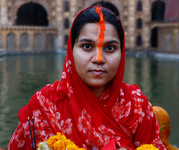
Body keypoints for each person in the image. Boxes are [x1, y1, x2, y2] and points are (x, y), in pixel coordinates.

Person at [7, 6, 166, 150]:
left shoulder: (136, 106)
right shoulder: (44, 105)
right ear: (71, 50)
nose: (98, 58)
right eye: (87, 46)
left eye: (110, 48)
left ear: (122, 52)